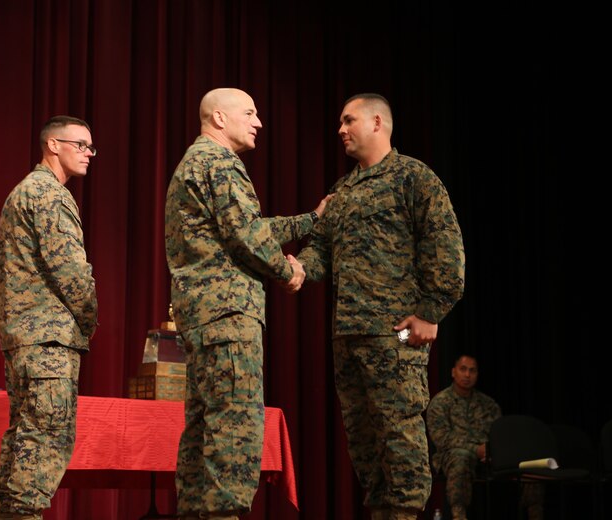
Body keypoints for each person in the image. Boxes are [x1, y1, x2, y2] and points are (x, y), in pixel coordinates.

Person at [295, 93, 466, 520]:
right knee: (366, 449)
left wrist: (430, 312)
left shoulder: (414, 178)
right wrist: (293, 268)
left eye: (348, 120)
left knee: (401, 441)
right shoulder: (343, 190)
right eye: (340, 122)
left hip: (395, 337)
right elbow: (320, 253)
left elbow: (448, 251)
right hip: (348, 340)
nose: (340, 129)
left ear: (377, 122)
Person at [164, 87, 330, 519]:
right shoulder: (218, 162)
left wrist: (310, 220)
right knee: (234, 431)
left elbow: (245, 226)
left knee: (203, 429)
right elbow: (247, 236)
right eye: (251, 113)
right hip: (228, 317)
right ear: (219, 118)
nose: (258, 123)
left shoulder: (195, 162)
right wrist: (290, 272)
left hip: (204, 319)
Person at [0, 115, 98, 520]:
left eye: (92, 147)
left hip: (24, 336)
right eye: (81, 145)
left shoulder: (22, 191)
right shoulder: (49, 194)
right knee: (46, 440)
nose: (89, 153)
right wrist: (88, 319)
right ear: (53, 145)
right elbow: (71, 272)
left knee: (23, 438)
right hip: (48, 340)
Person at [426, 355, 544, 520]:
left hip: (489, 457)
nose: (467, 375)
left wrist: (491, 451)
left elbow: (500, 435)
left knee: (527, 459)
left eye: (472, 370)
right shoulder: (440, 402)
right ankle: (459, 516)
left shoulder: (488, 404)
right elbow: (442, 438)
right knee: (461, 456)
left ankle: (534, 514)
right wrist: (476, 450)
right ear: (453, 372)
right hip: (452, 456)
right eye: (463, 369)